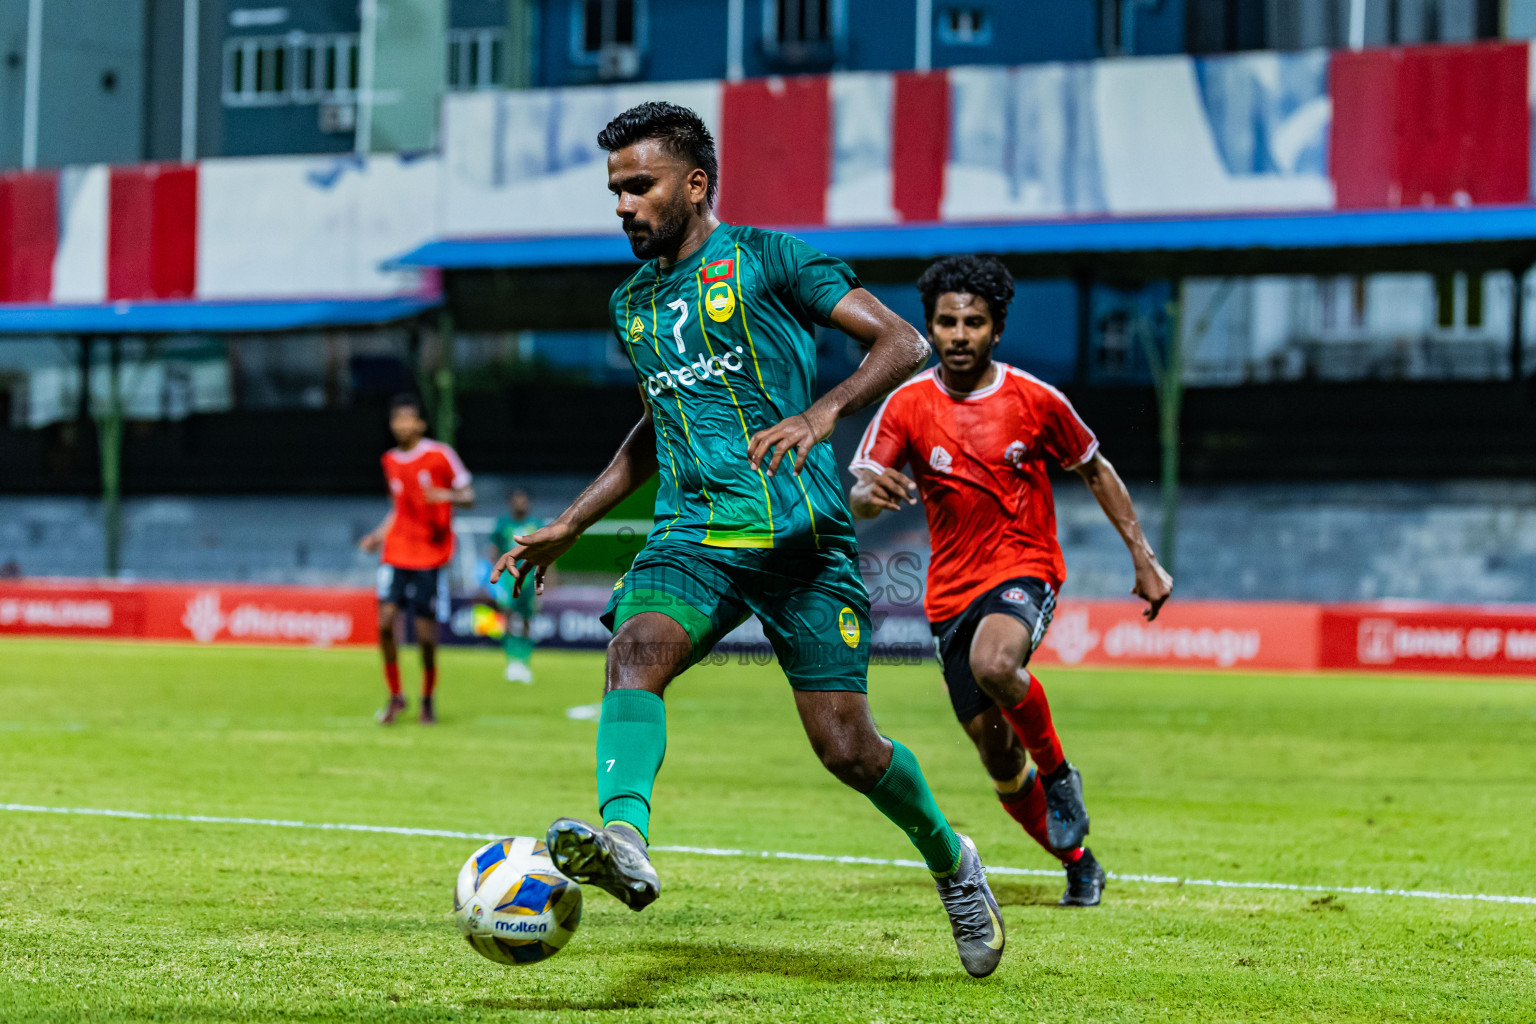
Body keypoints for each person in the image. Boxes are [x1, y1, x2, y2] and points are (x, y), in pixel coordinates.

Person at [493, 102, 1006, 978]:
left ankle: (953, 861)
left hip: (801, 536)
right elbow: (657, 425)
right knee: (635, 649)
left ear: (695, 185)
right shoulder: (632, 304)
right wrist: (572, 523)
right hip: (694, 532)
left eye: (639, 187)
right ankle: (624, 836)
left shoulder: (772, 259)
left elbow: (903, 339)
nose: (623, 205)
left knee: (847, 748)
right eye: (615, 190)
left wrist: (823, 411)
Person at [848, 255, 1172, 907]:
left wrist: (1143, 555)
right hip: (948, 596)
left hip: (1026, 569)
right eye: (946, 322)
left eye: (974, 322)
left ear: (996, 329)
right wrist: (868, 498)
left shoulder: (1035, 400)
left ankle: (1059, 775)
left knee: (996, 662)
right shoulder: (906, 406)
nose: (959, 334)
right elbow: (857, 494)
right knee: (998, 761)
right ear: (931, 328)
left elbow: (1097, 470)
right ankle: (1078, 859)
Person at [360, 394, 475, 726]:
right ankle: (396, 696)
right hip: (395, 552)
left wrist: (447, 495)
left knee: (425, 635)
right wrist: (378, 535)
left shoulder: (440, 454)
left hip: (430, 555)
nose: (402, 425)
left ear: (420, 424)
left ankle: (427, 698)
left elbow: (469, 494)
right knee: (385, 622)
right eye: (397, 419)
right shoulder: (390, 460)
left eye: (408, 419)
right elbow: (399, 508)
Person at [490, 489, 543, 683]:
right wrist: (490, 577)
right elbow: (493, 551)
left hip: (530, 580)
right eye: (516, 501)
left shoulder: (536, 524)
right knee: (508, 619)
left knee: (528, 620)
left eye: (523, 500)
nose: (520, 504)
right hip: (507, 581)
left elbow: (546, 554)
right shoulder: (503, 524)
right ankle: (511, 661)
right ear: (511, 503)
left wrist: (547, 582)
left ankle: (525, 660)